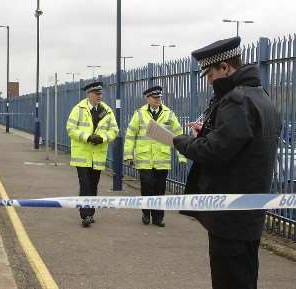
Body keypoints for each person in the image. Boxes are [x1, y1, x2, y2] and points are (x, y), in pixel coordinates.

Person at [173, 36, 281, 289]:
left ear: (225, 67)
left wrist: (181, 141)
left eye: (210, 74)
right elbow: (240, 144)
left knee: (229, 279)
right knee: (244, 275)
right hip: (249, 209)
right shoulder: (260, 96)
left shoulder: (236, 100)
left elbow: (215, 151)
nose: (209, 81)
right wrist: (208, 133)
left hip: (229, 213)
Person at [124, 86, 185, 227]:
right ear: (148, 99)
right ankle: (146, 213)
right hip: (144, 158)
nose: (158, 100)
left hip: (161, 159)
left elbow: (178, 134)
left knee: (160, 188)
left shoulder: (169, 114)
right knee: (146, 186)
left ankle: (158, 217)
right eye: (155, 98)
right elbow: (130, 135)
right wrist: (128, 155)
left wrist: (181, 155)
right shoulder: (139, 114)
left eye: (159, 97)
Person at [66, 81, 119, 227]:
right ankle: (85, 215)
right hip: (82, 155)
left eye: (100, 93)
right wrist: (87, 137)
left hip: (98, 155)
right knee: (85, 184)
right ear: (89, 94)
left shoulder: (107, 111)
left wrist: (103, 138)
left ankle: (91, 213)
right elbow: (70, 129)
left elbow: (114, 130)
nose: (99, 96)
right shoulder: (78, 109)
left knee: (94, 185)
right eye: (96, 94)